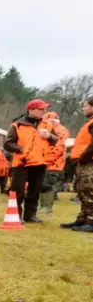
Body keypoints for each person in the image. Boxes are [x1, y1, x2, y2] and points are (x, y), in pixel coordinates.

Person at [3, 99, 59, 223]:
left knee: (35, 191)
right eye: (41, 109)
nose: (44, 111)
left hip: (40, 163)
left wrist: (50, 136)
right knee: (18, 191)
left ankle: (30, 216)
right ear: (31, 110)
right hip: (21, 163)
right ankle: (15, 215)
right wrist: (22, 150)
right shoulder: (17, 125)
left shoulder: (47, 125)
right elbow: (7, 144)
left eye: (44, 109)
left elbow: (56, 140)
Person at [62, 96, 93, 232]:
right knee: (82, 191)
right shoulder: (89, 123)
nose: (83, 108)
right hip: (83, 162)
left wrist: (83, 158)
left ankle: (91, 221)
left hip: (89, 162)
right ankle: (83, 219)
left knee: (89, 190)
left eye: (85, 105)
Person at [38, 112, 69, 213]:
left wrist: (45, 159)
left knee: (47, 184)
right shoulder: (55, 130)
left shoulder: (59, 131)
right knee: (43, 184)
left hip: (53, 164)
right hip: (50, 163)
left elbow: (57, 148)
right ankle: (43, 206)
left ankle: (46, 207)